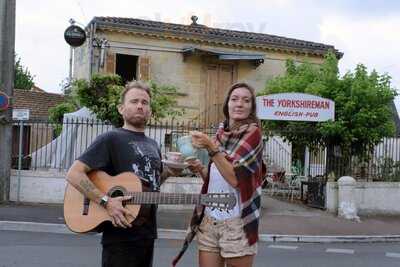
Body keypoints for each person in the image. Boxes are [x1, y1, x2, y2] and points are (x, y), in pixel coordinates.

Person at [66, 81, 179, 267]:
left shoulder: (154, 145)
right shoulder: (111, 139)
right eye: (134, 101)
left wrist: (169, 172)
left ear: (150, 110)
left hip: (147, 234)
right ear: (121, 108)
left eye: (145, 102)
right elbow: (74, 174)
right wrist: (106, 201)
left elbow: (152, 184)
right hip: (119, 236)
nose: (140, 106)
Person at [173, 82, 266, 267]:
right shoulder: (219, 135)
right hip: (209, 220)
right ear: (227, 105)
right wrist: (200, 168)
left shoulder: (253, 134)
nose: (239, 104)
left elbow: (235, 180)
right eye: (234, 99)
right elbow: (216, 178)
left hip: (238, 222)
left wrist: (211, 147)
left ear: (251, 108)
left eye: (246, 101)